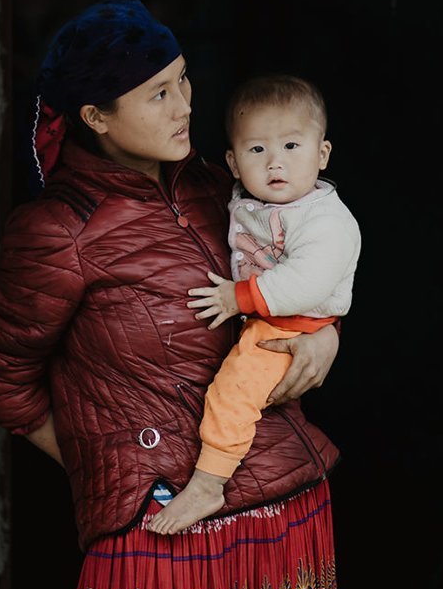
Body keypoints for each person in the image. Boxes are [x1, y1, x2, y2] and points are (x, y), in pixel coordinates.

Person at [0, 0, 344, 589]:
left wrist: (326, 343)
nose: (187, 106)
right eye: (159, 93)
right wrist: (110, 465)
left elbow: (301, 288)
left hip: (282, 510)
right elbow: (0, 376)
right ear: (97, 117)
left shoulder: (222, 190)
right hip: (163, 534)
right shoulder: (58, 232)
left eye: (183, 82)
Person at [149, 74, 360, 535]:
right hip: (272, 319)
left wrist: (237, 297)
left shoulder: (325, 219)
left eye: (291, 146)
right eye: (257, 150)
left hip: (292, 325)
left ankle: (208, 484)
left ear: (322, 154)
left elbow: (307, 281)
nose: (275, 163)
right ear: (233, 162)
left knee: (234, 391)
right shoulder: (244, 199)